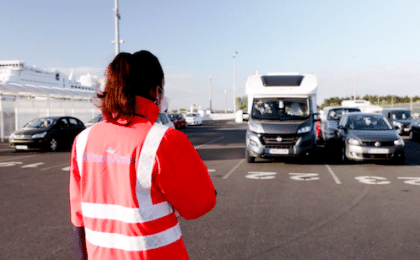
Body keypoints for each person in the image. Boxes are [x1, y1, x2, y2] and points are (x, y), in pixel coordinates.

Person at [69, 50, 217, 260]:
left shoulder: (82, 141)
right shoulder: (165, 140)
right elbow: (200, 204)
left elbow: (78, 218)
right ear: (156, 91)